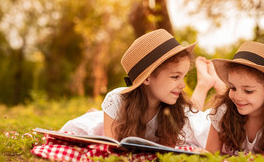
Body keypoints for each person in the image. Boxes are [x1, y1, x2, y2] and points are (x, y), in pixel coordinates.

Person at [61, 29, 224, 149]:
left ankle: (207, 85)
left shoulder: (172, 105)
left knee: (196, 121)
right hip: (119, 120)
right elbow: (113, 148)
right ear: (147, 77)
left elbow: (165, 150)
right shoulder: (117, 100)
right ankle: (204, 84)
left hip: (182, 117)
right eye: (175, 77)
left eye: (183, 77)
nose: (182, 85)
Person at [205, 41, 264, 155]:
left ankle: (214, 81)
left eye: (248, 91)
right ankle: (205, 84)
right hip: (201, 131)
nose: (237, 97)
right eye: (232, 88)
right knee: (192, 118)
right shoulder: (222, 113)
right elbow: (209, 156)